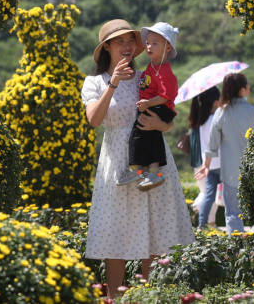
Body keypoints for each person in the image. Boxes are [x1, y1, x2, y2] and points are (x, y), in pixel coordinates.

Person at [81, 19, 195, 299]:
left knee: (154, 232)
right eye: (120, 41)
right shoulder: (95, 82)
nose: (128, 46)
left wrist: (162, 125)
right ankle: (116, 298)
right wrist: (113, 84)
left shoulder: (147, 75)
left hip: (152, 158)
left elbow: (167, 116)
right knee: (114, 236)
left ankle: (148, 297)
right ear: (106, 47)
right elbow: (94, 119)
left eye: (131, 41)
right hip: (117, 163)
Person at [195, 73, 254, 234]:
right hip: (252, 171)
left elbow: (212, 145)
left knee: (233, 213)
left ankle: (237, 249)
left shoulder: (221, 113)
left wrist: (206, 166)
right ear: (242, 90)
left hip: (230, 173)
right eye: (247, 86)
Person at [117, 22, 179, 191]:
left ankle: (139, 170)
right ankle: (152, 173)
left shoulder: (164, 71)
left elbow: (167, 96)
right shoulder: (152, 67)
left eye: (155, 43)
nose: (149, 46)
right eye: (148, 43)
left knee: (139, 136)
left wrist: (147, 103)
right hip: (153, 107)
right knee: (150, 139)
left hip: (159, 108)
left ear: (167, 48)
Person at [189, 86, 221, 229]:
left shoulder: (201, 121)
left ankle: (202, 224)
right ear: (215, 102)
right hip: (220, 161)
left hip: (207, 164)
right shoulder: (215, 119)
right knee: (228, 195)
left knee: (209, 195)